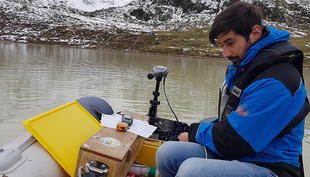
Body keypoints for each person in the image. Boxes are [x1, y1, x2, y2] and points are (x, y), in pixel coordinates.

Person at [155, 2, 309, 177]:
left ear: (255, 33)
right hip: (243, 153)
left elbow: (237, 140)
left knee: (191, 171)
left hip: (271, 165)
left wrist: (194, 133)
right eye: (222, 45)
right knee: (167, 154)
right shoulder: (244, 65)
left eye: (230, 43)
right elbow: (231, 121)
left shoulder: (277, 79)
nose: (225, 53)